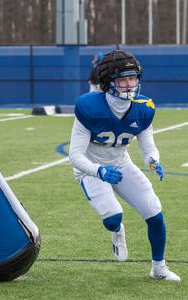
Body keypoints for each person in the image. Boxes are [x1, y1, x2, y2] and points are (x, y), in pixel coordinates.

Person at [68, 50, 180, 281]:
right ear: (108, 82)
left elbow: (148, 145)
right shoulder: (89, 107)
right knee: (112, 218)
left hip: (120, 162)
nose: (129, 84)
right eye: (123, 79)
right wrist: (98, 171)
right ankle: (117, 231)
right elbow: (75, 156)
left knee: (154, 213)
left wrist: (153, 160)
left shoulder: (144, 107)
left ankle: (159, 268)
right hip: (91, 167)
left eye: (133, 78)